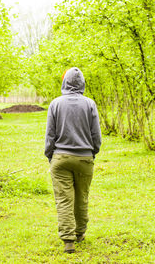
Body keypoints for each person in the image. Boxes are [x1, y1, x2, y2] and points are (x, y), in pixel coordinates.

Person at [45, 67, 102, 253]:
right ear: (82, 83)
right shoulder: (90, 104)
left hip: (60, 158)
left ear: (65, 82)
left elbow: (50, 135)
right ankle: (80, 233)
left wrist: (50, 155)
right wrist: (92, 152)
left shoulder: (55, 104)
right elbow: (96, 136)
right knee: (81, 198)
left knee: (64, 200)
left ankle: (68, 241)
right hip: (85, 158)